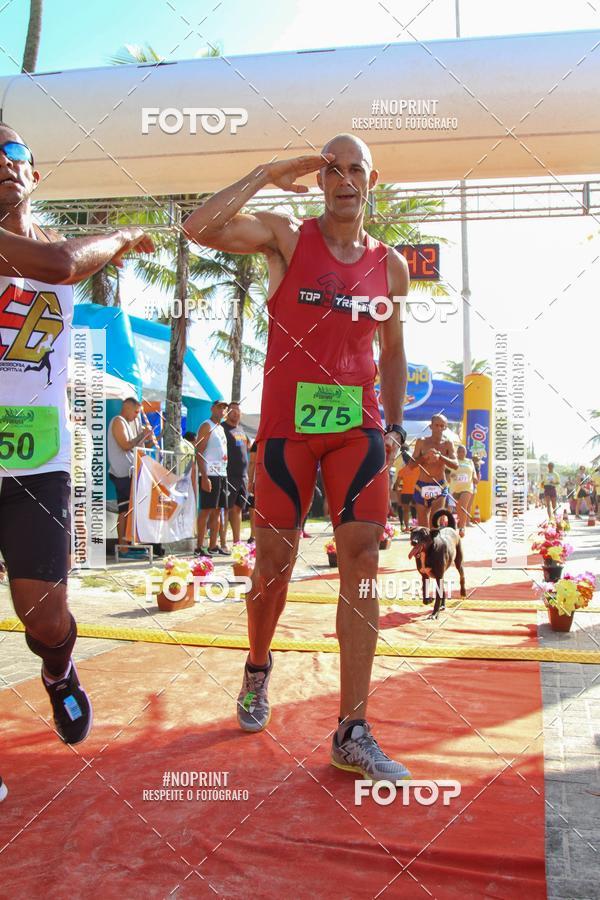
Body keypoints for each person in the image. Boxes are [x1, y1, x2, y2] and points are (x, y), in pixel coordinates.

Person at [184, 133, 411, 781]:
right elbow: (198, 228)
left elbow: (394, 350)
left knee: (362, 559)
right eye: (332, 170)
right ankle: (258, 664)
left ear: (372, 181)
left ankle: (352, 729)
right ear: (320, 182)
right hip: (287, 432)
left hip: (357, 430)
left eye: (356, 169)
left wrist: (394, 428)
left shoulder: (390, 266)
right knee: (274, 568)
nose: (345, 179)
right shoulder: (287, 238)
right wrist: (265, 170)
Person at [0, 122, 154, 801]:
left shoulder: (45, 246)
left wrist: (114, 243)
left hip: (39, 460)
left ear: (34, 172)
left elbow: (59, 262)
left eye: (13, 152)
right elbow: (66, 264)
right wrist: (122, 237)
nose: (3, 162)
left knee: (42, 615)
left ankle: (59, 670)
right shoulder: (54, 253)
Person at [107, 398, 155, 557]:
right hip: (121, 473)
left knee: (130, 509)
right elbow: (126, 445)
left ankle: (128, 544)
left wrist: (148, 438)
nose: (136, 416)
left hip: (130, 472)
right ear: (127, 407)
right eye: (135, 412)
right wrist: (142, 434)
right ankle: (123, 547)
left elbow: (138, 447)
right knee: (125, 509)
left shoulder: (130, 423)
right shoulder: (118, 421)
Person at [194, 399, 229, 555]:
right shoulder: (206, 426)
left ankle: (213, 545)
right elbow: (199, 452)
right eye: (219, 407)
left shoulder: (220, 428)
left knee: (218, 510)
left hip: (222, 473)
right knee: (206, 510)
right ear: (212, 408)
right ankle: (199, 547)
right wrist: (204, 476)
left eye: (224, 408)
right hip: (210, 473)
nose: (222, 410)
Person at [411, 415, 458, 527]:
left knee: (434, 524)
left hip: (439, 485)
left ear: (445, 427)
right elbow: (411, 465)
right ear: (431, 426)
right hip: (421, 486)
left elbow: (456, 465)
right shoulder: (421, 442)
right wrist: (424, 457)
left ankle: (435, 539)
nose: (439, 428)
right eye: (436, 425)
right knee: (423, 527)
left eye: (442, 426)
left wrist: (440, 456)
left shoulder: (448, 443)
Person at [222, 401, 250, 545]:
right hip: (228, 475)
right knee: (225, 509)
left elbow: (247, 448)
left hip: (242, 476)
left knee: (238, 508)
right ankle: (222, 543)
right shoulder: (222, 429)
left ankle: (237, 542)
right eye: (232, 410)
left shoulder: (241, 430)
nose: (235, 412)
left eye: (237, 410)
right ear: (226, 413)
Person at [448, 445, 478, 537]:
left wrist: (475, 478)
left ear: (465, 452)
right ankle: (461, 522)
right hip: (455, 488)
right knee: (459, 508)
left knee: (463, 506)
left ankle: (462, 527)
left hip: (467, 487)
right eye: (459, 451)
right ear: (457, 453)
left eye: (463, 451)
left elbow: (473, 473)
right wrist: (451, 476)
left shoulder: (469, 461)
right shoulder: (453, 461)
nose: (461, 453)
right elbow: (448, 474)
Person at [395, 460, 419, 531]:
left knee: (406, 510)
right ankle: (415, 526)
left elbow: (397, 483)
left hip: (406, 493)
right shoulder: (419, 469)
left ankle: (407, 527)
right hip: (415, 492)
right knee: (418, 510)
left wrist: (398, 491)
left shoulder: (403, 470)